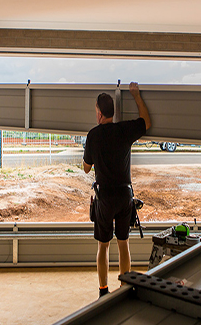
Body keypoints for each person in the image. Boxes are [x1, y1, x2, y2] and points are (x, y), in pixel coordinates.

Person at [83, 82, 151, 298]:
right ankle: (125, 289)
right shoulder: (124, 130)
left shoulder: (93, 135)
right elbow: (146, 122)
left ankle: (103, 291)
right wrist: (136, 95)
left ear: (99, 113)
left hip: (105, 198)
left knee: (103, 246)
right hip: (124, 196)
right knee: (123, 243)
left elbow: (86, 169)